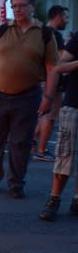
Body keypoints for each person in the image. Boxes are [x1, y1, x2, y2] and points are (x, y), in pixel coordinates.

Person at [0, 0, 59, 199]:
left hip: (27, 97)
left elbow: (52, 69)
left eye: (22, 5)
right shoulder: (2, 30)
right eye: (14, 6)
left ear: (33, 6)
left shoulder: (45, 34)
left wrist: (48, 97)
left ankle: (16, 182)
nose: (18, 9)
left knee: (21, 143)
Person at [39, 34, 78, 220]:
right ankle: (54, 199)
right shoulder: (77, 38)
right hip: (74, 105)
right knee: (65, 153)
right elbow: (59, 67)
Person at [33, 5, 70, 162]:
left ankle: (32, 142)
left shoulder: (41, 31)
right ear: (58, 17)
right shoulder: (56, 35)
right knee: (50, 116)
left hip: (40, 78)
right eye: (66, 17)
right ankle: (41, 150)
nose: (67, 21)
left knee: (42, 115)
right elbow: (60, 61)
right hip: (52, 81)